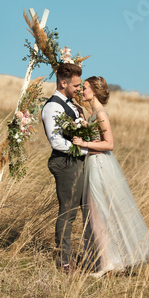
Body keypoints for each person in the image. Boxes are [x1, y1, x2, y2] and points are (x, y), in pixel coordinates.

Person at [72, 76, 149, 278]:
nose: (82, 92)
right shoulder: (94, 115)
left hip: (100, 166)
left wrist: (83, 143)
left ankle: (108, 263)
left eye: (84, 88)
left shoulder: (100, 114)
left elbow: (109, 144)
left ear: (93, 91)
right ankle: (112, 260)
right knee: (98, 215)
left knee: (97, 214)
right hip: (95, 164)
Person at [41, 63, 88, 273]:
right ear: (63, 82)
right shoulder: (52, 107)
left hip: (76, 161)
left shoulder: (70, 104)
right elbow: (57, 142)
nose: (78, 89)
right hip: (65, 162)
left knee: (80, 211)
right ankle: (64, 262)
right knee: (67, 213)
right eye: (76, 85)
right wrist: (84, 150)